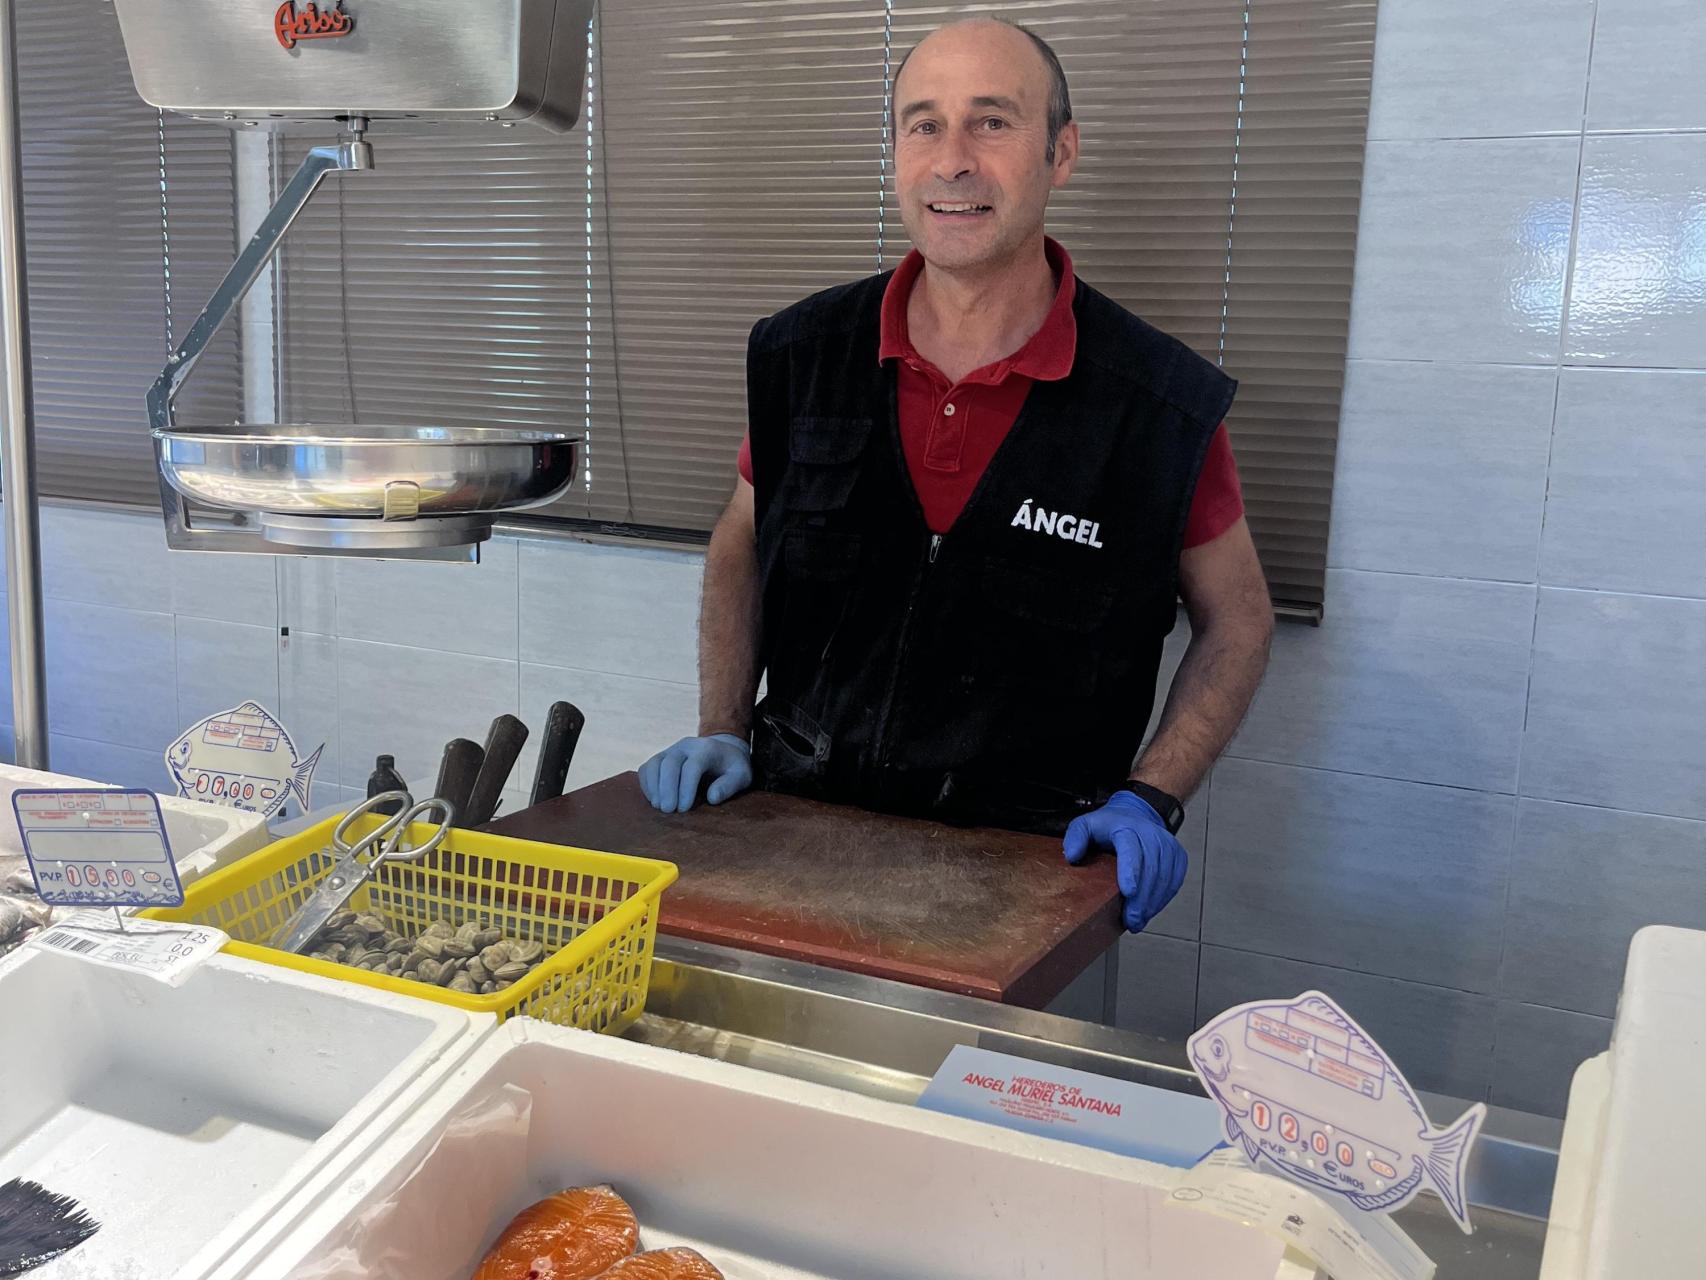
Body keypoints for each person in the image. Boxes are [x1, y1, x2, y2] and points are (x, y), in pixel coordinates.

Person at [640, 17, 1273, 933]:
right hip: (780, 850)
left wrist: (1151, 795)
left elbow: (1240, 619)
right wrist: (722, 725)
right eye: (924, 124)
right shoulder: (804, 356)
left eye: (993, 122)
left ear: (1062, 153)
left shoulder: (1158, 406)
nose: (952, 161)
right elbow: (743, 533)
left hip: (1021, 883)